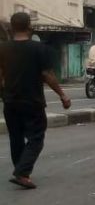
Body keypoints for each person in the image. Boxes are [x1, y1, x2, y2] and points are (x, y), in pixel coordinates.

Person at [0, 12, 71, 189]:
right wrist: (62, 95)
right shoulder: (39, 49)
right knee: (36, 138)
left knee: (16, 137)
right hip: (32, 101)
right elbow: (47, 74)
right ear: (30, 27)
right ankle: (22, 173)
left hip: (10, 101)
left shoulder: (3, 48)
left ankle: (21, 171)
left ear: (11, 27)